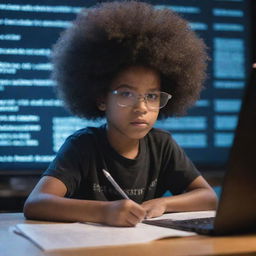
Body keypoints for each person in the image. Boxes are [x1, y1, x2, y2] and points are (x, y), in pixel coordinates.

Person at [23, 1, 217, 227]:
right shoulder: (83, 146)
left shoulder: (162, 146)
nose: (141, 107)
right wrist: (104, 212)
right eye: (126, 94)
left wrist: (164, 203)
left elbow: (208, 197)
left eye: (152, 96)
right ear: (101, 99)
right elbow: (36, 203)